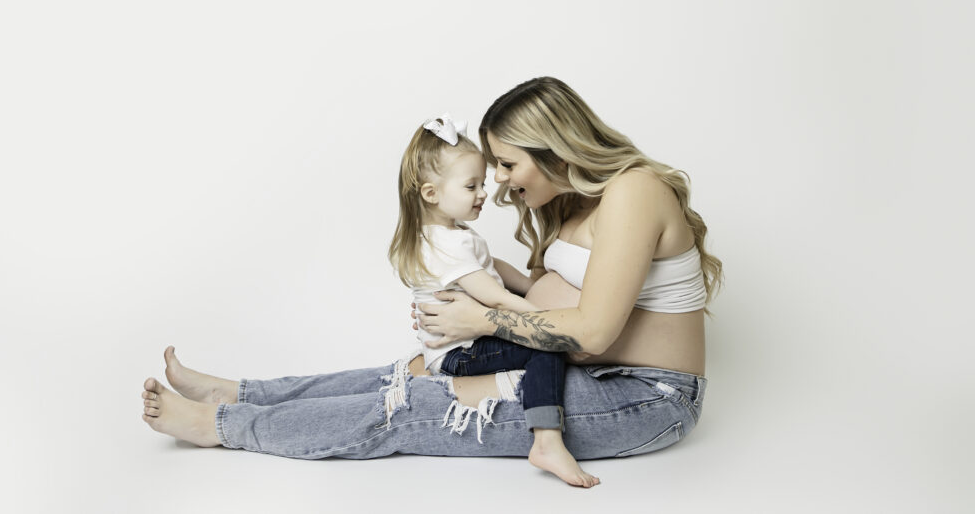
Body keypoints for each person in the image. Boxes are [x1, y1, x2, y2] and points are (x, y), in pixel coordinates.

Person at [141, 76, 721, 472]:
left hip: (647, 397)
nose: (498, 180)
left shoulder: (634, 192)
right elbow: (559, 295)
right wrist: (480, 293)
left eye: (507, 163)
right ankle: (240, 394)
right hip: (579, 370)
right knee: (401, 374)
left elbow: (593, 332)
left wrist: (482, 315)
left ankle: (222, 426)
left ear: (554, 149)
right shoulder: (575, 202)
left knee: (411, 407)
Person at [389, 113, 598, 487]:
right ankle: (547, 439)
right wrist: (549, 318)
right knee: (545, 346)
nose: (483, 193)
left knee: (538, 340)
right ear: (431, 193)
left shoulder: (449, 234)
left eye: (481, 183)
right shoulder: (448, 243)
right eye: (471, 186)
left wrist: (529, 284)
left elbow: (492, 267)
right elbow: (495, 298)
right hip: (461, 352)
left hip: (460, 344)